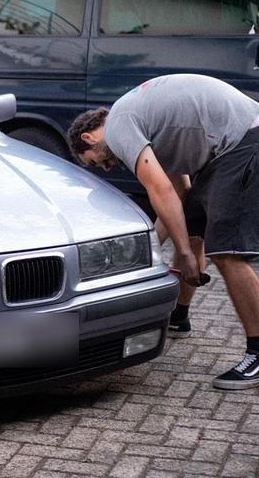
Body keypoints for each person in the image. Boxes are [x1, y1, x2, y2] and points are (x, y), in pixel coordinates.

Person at [67, 74, 259, 390]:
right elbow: (179, 194)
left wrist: (183, 253)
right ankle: (179, 316)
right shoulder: (146, 125)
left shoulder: (119, 127)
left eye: (97, 163)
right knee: (194, 225)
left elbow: (160, 190)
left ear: (89, 138)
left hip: (243, 140)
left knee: (226, 251)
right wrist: (155, 246)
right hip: (228, 146)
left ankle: (257, 350)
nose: (107, 167)